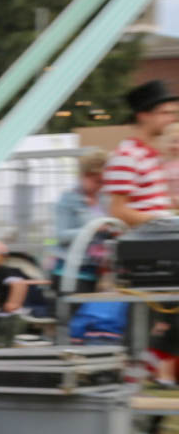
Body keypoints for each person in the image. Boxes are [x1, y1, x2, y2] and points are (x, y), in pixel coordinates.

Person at [103, 81, 179, 230]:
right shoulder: (127, 156)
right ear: (143, 116)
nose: (172, 119)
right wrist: (162, 221)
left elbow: (148, 203)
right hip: (144, 241)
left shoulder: (151, 156)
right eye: (165, 113)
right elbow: (117, 211)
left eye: (173, 113)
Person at [55, 150, 111, 294]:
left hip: (95, 272)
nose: (100, 186)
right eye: (97, 181)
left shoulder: (104, 199)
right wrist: (92, 229)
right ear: (84, 175)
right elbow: (61, 236)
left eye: (103, 182)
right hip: (71, 274)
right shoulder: (68, 199)